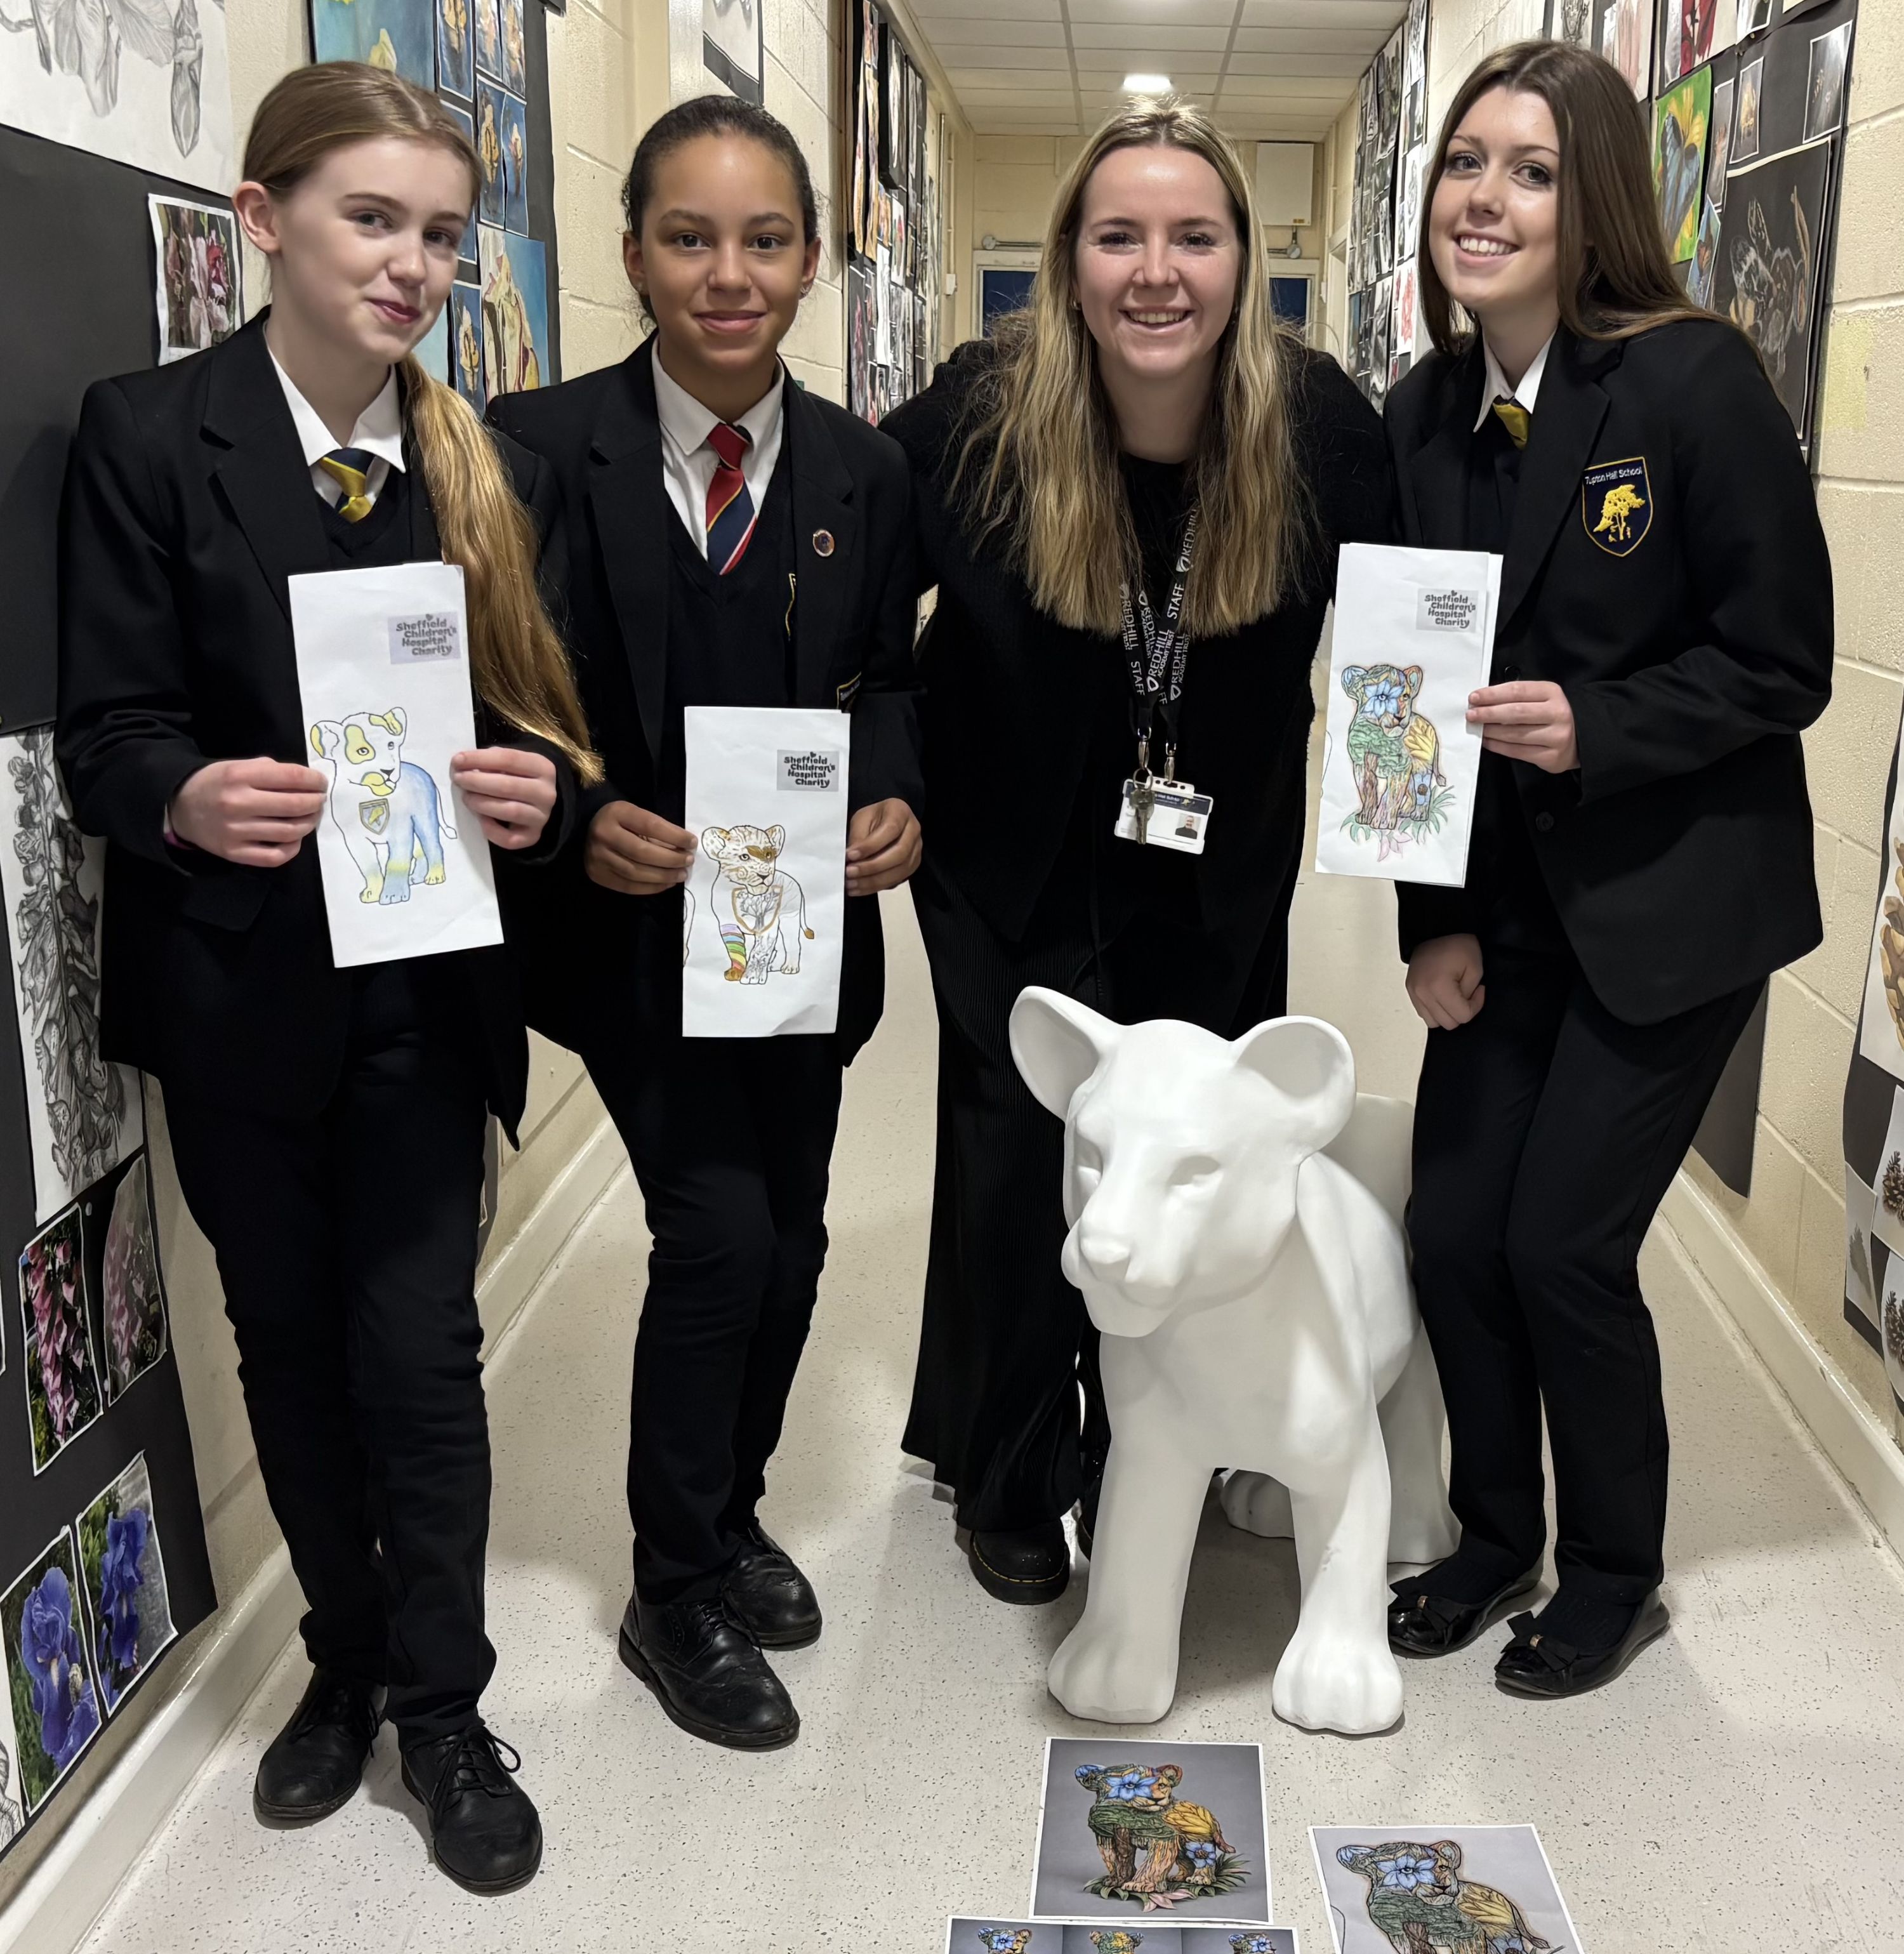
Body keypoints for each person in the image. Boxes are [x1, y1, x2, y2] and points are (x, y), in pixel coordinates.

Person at [57, 63, 601, 1891]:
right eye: (373, 218)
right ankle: (345, 1657)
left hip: (422, 999)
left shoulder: (492, 469)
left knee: (420, 1356)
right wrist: (186, 795)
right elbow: (105, 734)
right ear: (261, 222)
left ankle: (444, 1708)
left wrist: (541, 796)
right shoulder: (150, 441)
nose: (412, 265)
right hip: (238, 999)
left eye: (439, 233)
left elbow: (554, 734)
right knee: (286, 1348)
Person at [882, 95, 1391, 1603]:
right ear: (1070, 260)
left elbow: (1404, 656)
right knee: (1016, 1148)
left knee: (1189, 1157)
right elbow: (852, 606)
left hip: (1215, 856)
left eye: (1194, 236)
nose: (1156, 271)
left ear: (1243, 259)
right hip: (1006, 854)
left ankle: (1159, 1435)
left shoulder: (1321, 430)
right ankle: (1011, 1463)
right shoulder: (979, 416)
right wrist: (878, 773)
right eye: (1119, 236)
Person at [1382, 41, 1832, 1695]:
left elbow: (1785, 662)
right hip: (1501, 910)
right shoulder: (1423, 416)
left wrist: (1601, 725)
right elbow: (1405, 697)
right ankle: (1496, 1532)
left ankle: (1615, 1571)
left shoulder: (1692, 382)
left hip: (1673, 906)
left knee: (1563, 1243)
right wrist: (1428, 921)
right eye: (1466, 163)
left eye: (1533, 170)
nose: (1484, 198)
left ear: (1599, 205)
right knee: (1452, 1233)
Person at [489, 97, 922, 1751]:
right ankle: (672, 1588)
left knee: (794, 1238)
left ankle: (729, 1519)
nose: (727, 274)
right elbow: (494, 693)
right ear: (634, 254)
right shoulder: (533, 448)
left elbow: (891, 677)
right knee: (723, 1232)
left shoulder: (865, 472)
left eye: (763, 240)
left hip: (794, 941)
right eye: (689, 237)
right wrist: (575, 813)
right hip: (627, 941)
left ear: (812, 261)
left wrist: (896, 791)